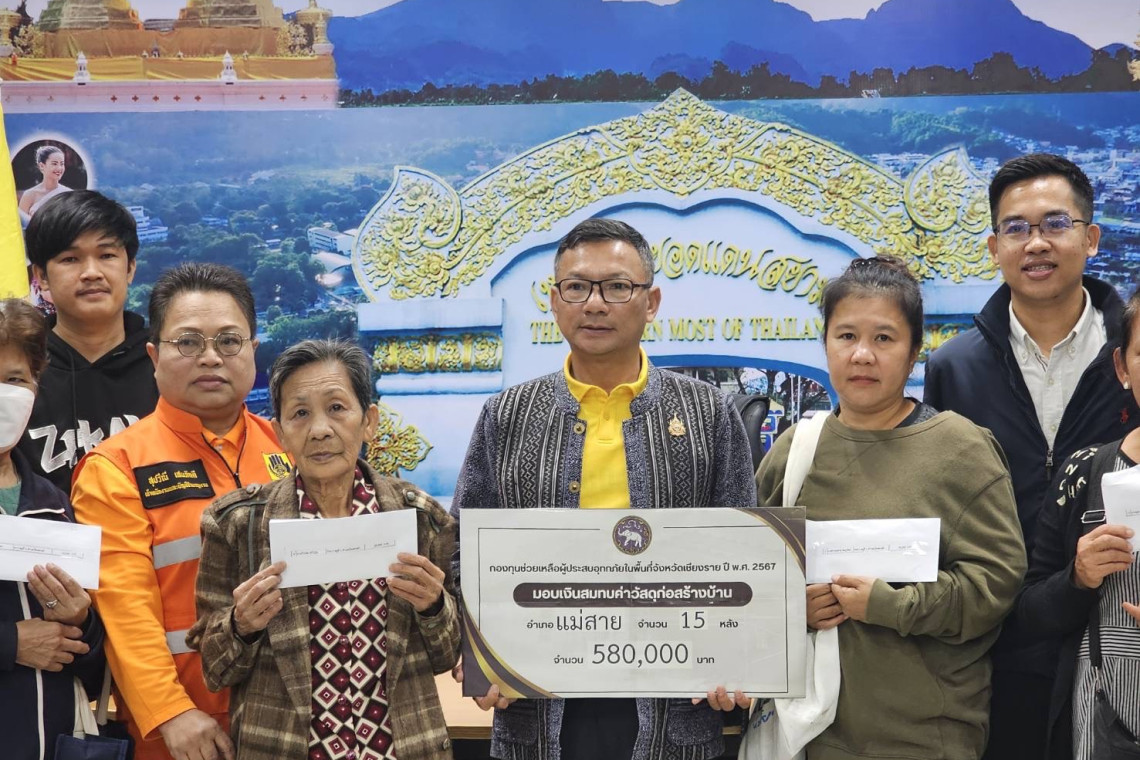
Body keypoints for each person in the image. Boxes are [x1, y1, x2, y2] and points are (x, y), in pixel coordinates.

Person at [451, 218, 757, 760]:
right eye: (576, 287)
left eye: (617, 287)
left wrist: (738, 655)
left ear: (651, 301)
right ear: (554, 300)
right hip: (536, 704)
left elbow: (743, 552)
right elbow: (463, 549)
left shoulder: (708, 413)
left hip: (673, 706)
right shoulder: (507, 414)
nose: (594, 304)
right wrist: (477, 651)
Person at [756, 255, 1027, 758]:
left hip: (925, 737)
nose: (862, 355)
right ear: (825, 344)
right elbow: (751, 580)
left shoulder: (961, 448)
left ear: (914, 352)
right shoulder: (795, 451)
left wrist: (888, 606)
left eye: (883, 338)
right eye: (846, 336)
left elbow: (995, 587)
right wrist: (797, 611)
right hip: (807, 737)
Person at [923, 153, 1138, 759]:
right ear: (994, 248)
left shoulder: (1131, 354)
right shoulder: (954, 366)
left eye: (1056, 223)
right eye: (1016, 228)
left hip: (1114, 636)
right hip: (991, 645)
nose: (1036, 242)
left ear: (1090, 238)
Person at [188, 339, 460, 759]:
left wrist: (433, 607)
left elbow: (448, 655)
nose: (319, 430)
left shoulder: (421, 519)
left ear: (369, 421)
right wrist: (241, 625)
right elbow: (214, 670)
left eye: (336, 408)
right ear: (280, 433)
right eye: (300, 413)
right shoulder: (237, 524)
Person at [70, 263, 291, 760]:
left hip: (296, 717)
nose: (210, 357)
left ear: (254, 350)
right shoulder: (117, 467)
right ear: (154, 355)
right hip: (189, 731)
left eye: (229, 341)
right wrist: (170, 711)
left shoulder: (288, 447)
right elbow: (125, 611)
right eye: (188, 342)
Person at [1017, 286, 1140, 760]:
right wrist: (1078, 577)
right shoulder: (1085, 472)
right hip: (1104, 718)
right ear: (1122, 368)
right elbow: (1029, 611)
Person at [0, 298, 107, 760]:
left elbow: (94, 662)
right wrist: (11, 643)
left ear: (35, 387)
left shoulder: (55, 503)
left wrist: (80, 621)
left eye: (14, 380)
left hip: (55, 742)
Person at [19, 190, 159, 492]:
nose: (91, 273)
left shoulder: (167, 363)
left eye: (106, 255)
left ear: (130, 268)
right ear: (41, 277)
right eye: (70, 259)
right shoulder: (18, 368)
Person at [19, 145, 73, 218]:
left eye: (62, 164)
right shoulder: (29, 195)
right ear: (41, 166)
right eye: (54, 164)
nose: (59, 168)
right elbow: (21, 223)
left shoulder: (69, 194)